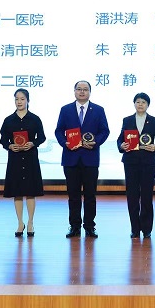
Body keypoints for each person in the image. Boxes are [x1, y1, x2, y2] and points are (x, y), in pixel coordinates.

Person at [55, 80, 109, 239]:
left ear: (90, 92)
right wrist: (64, 142)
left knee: (90, 195)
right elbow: (59, 131)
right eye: (79, 89)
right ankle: (74, 226)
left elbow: (104, 131)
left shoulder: (98, 110)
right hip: (71, 158)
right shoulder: (66, 109)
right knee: (73, 195)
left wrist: (95, 142)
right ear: (74, 91)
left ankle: (90, 226)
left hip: (90, 158)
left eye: (85, 89)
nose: (82, 92)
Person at [116, 92, 155, 239]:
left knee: (146, 195)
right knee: (132, 196)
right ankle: (135, 229)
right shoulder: (127, 120)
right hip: (130, 162)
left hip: (148, 162)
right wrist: (121, 146)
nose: (140, 104)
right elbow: (120, 140)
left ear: (148, 105)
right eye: (138, 102)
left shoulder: (154, 121)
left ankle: (147, 228)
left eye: (143, 102)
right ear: (134, 104)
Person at [0, 88, 45, 238]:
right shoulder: (8, 120)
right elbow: (2, 139)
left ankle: (30, 222)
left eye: (22, 99)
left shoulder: (35, 119)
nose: (19, 102)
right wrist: (9, 145)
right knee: (17, 192)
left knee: (31, 192)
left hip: (30, 157)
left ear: (28, 101)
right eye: (16, 99)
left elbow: (42, 137)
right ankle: (20, 222)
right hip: (15, 158)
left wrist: (33, 143)